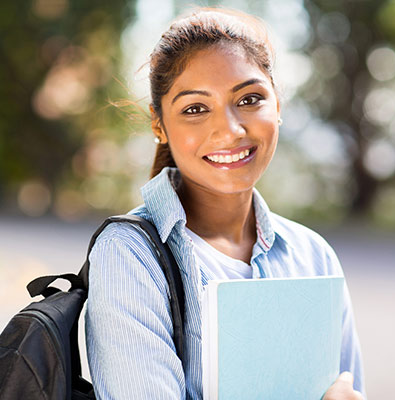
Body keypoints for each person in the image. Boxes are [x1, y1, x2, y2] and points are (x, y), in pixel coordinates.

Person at [85, 7, 366, 399]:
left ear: (278, 106)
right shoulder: (129, 256)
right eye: (195, 109)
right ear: (159, 124)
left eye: (250, 99)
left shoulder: (314, 256)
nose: (231, 130)